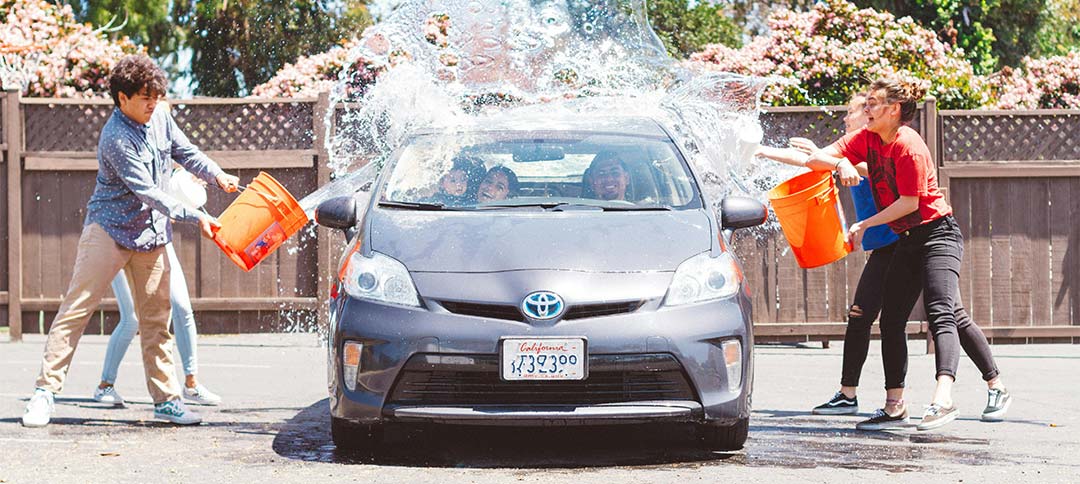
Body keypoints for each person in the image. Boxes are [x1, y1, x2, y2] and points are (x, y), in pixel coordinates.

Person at [21, 55, 239, 427]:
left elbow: (184, 151)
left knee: (157, 320)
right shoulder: (116, 138)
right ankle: (44, 393)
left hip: (150, 234)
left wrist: (218, 175)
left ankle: (167, 401)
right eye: (144, 97)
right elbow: (150, 192)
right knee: (76, 309)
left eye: (156, 95)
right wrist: (196, 216)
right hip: (108, 230)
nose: (152, 103)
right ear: (122, 99)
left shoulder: (161, 115)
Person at [807, 78, 1011, 431]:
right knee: (891, 320)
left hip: (938, 235)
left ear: (894, 109)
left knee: (942, 314)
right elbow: (816, 158)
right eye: (866, 103)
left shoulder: (909, 145)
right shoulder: (867, 138)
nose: (866, 109)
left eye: (873, 103)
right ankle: (895, 405)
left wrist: (865, 223)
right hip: (908, 241)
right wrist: (838, 164)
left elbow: (909, 204)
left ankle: (943, 399)